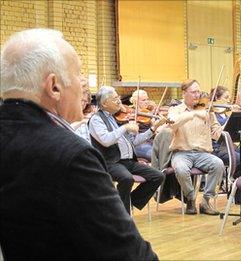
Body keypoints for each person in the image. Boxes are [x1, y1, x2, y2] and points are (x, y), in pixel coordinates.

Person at [0, 28, 157, 260]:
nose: (84, 88)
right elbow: (130, 255)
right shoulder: (71, 156)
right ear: (54, 86)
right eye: (78, 75)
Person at [89, 86, 165, 214]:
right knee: (127, 178)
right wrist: (125, 128)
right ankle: (122, 213)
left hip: (128, 161)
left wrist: (153, 128)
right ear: (104, 103)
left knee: (158, 176)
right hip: (110, 162)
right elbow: (106, 140)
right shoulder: (96, 119)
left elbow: (134, 142)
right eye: (115, 98)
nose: (119, 101)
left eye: (118, 97)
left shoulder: (117, 117)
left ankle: (129, 201)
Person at [168, 79, 224, 215]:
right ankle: (191, 198)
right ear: (184, 93)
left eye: (198, 91)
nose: (197, 95)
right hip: (181, 152)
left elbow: (216, 130)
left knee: (218, 164)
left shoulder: (206, 110)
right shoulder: (175, 110)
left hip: (202, 153)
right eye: (193, 92)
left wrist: (218, 131)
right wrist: (192, 114)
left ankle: (205, 200)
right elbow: (173, 124)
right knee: (181, 169)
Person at [130, 89, 156, 160]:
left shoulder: (148, 113)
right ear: (135, 101)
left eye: (147, 99)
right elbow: (134, 140)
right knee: (154, 155)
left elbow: (155, 132)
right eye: (143, 100)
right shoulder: (130, 115)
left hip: (151, 141)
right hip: (140, 143)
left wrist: (154, 121)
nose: (146, 102)